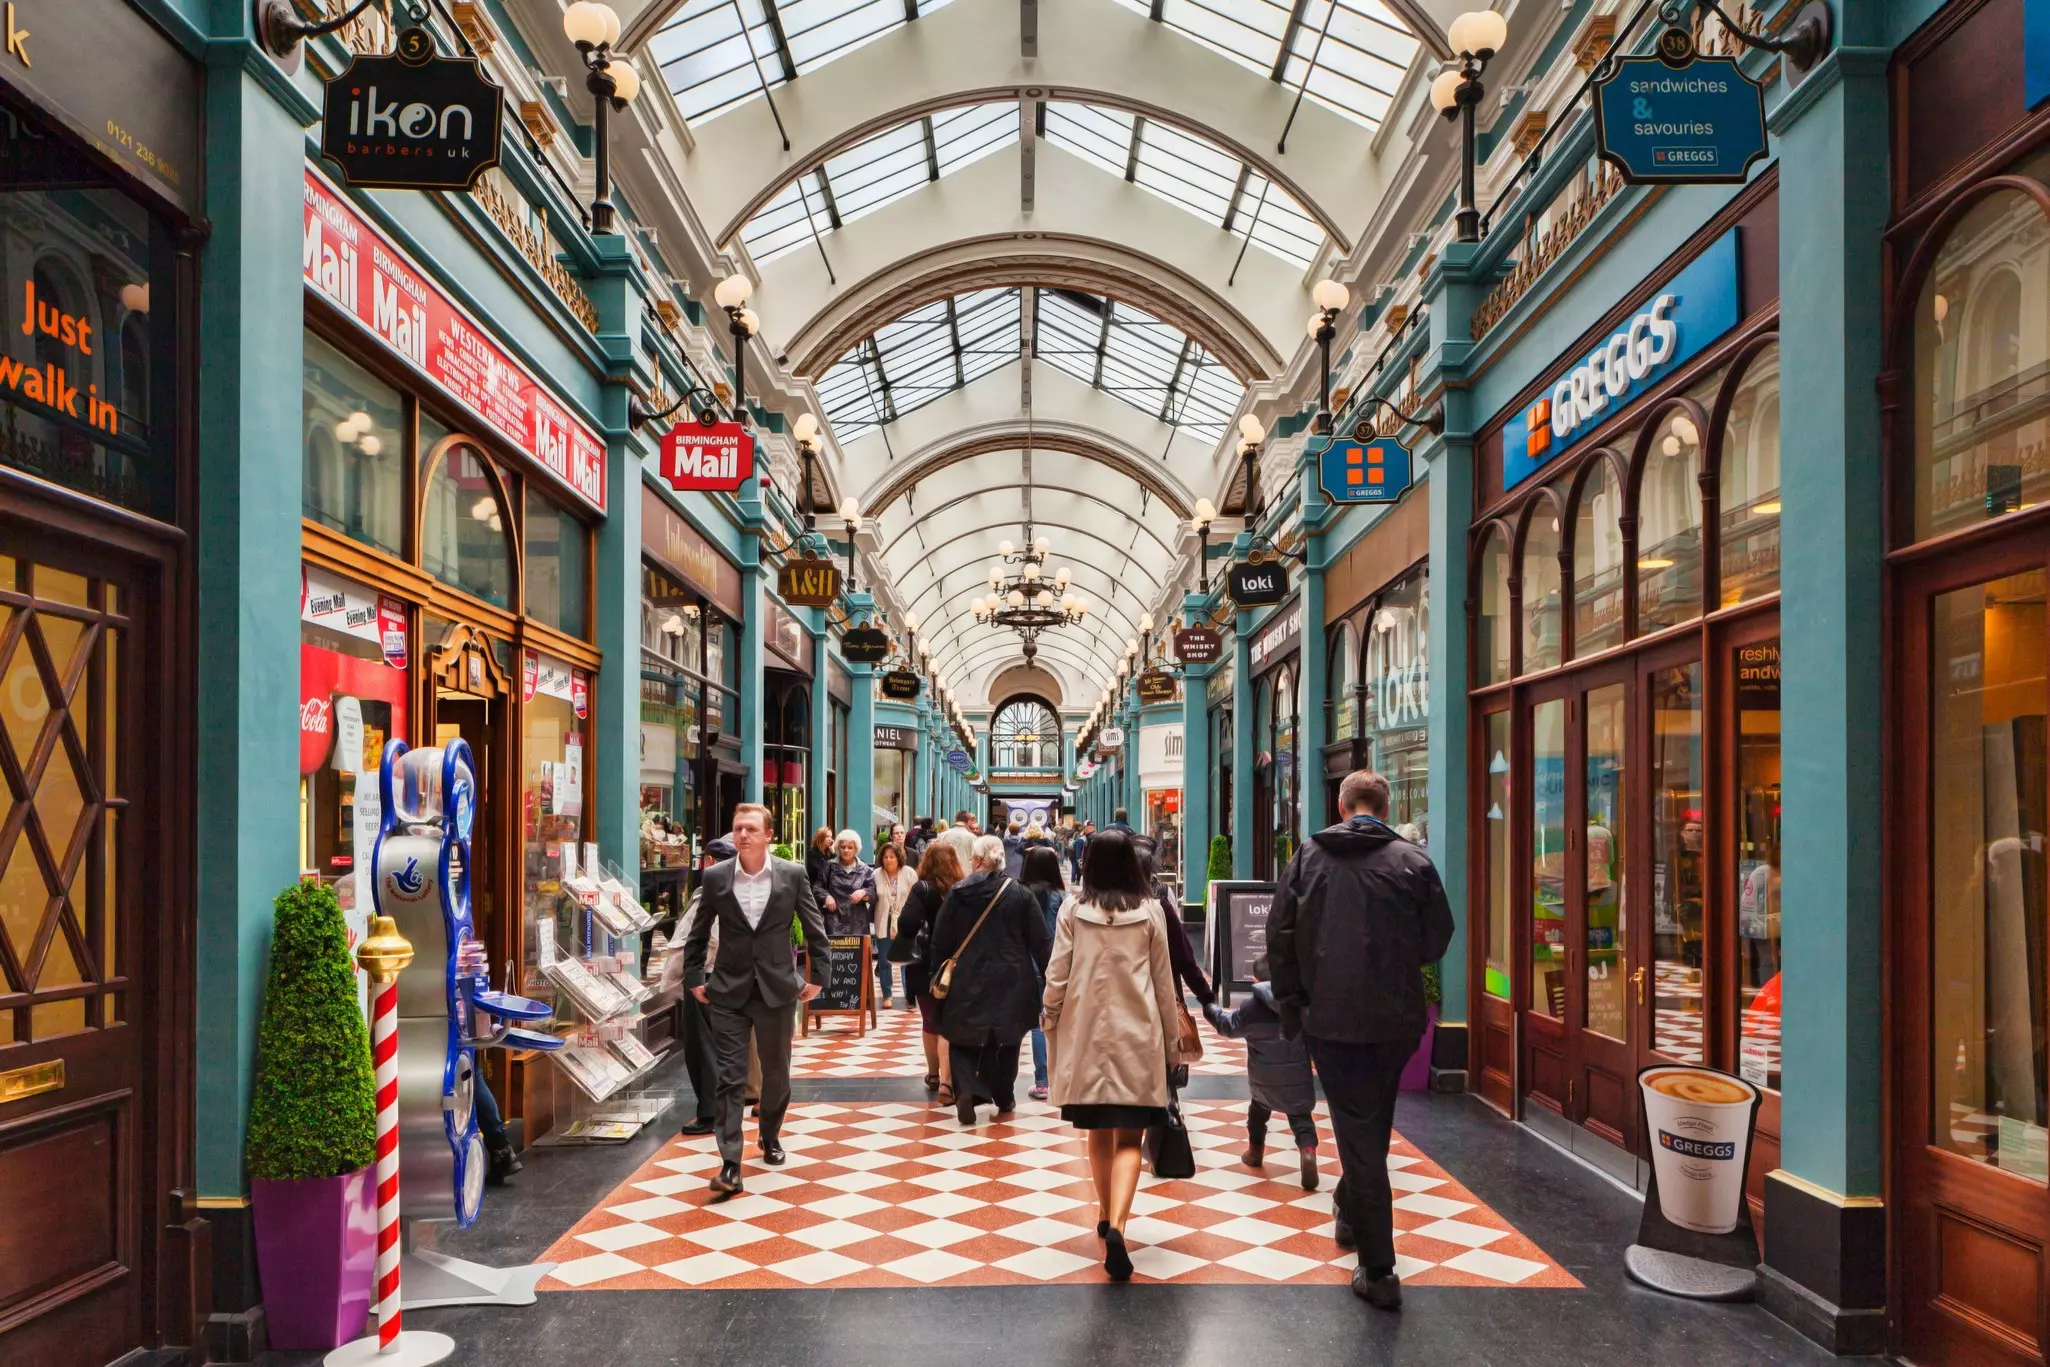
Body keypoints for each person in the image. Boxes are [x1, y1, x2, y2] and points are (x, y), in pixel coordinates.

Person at [1268, 769, 1454, 1310]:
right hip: (1395, 1020)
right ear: (1385, 804)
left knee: (1359, 1127)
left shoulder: (1309, 858)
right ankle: (1350, 1209)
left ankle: (1380, 1269)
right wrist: (1398, 962)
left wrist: (1292, 1005)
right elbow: (1437, 936)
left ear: (1343, 804)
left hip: (1330, 1017)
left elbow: (1279, 934)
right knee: (1369, 1120)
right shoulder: (1412, 861)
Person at [1041, 829, 1182, 1281]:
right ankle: (1119, 1222)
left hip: (1086, 1038)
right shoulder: (1151, 912)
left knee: (1097, 1131)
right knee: (1130, 1139)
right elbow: (1164, 985)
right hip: (1138, 1037)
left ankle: (1104, 1216)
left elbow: (1057, 973)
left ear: (1090, 865)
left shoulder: (1072, 911)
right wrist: (1173, 1046)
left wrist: (1048, 1016)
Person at [681, 803, 832, 1199]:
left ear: (769, 835)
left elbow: (816, 930)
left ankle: (769, 1134)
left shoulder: (792, 875)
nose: (742, 835)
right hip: (728, 990)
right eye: (737, 829)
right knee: (730, 1077)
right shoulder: (715, 878)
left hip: (777, 991)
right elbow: (697, 934)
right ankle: (730, 1163)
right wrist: (695, 977)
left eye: (750, 829)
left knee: (776, 1074)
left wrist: (819, 978)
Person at [928, 833, 1051, 1125]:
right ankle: (1004, 1094)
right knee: (1008, 1039)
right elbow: (1041, 941)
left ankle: (967, 1089)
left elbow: (941, 938)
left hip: (967, 977)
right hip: (1012, 977)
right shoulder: (1021, 893)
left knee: (962, 1036)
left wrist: (936, 971)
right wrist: (1052, 979)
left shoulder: (958, 892)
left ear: (979, 860)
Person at [1204, 956, 1319, 1192]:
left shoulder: (1251, 1008)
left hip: (1263, 1080)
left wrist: (1210, 1008)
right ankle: (1307, 1152)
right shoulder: (1299, 1004)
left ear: (1255, 979)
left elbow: (1227, 1026)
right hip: (1297, 1078)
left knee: (1257, 1113)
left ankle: (1255, 1152)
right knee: (1301, 1119)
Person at [663, 835, 737, 1138]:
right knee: (713, 1048)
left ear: (709, 862)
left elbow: (708, 940)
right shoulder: (730, 890)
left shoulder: (714, 892)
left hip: (704, 980)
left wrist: (692, 977)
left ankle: (709, 1113)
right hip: (713, 979)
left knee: (702, 1049)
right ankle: (718, 1109)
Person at [895, 836, 966, 1097]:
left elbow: (906, 925)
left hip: (926, 964)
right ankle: (951, 1076)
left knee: (930, 1021)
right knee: (952, 1019)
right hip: (958, 964)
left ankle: (935, 1074)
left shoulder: (922, 889)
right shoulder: (963, 889)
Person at [1019, 846, 1065, 1100]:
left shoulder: (1021, 893)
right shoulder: (1061, 897)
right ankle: (1054, 1079)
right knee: (1052, 1021)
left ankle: (1040, 1081)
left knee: (1032, 1023)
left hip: (1025, 964)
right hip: (1054, 964)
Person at [872, 841, 917, 1006]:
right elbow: (872, 895)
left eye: (892, 856)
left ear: (899, 858)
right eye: (885, 857)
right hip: (883, 920)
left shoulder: (909, 873)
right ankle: (887, 995)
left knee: (906, 961)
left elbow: (915, 896)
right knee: (884, 960)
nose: (888, 860)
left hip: (904, 922)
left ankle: (909, 996)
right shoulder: (876, 874)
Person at [814, 829, 878, 937]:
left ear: (856, 849)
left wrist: (864, 892)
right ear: (838, 848)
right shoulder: (829, 866)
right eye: (843, 847)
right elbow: (817, 887)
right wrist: (826, 896)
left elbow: (874, 893)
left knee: (857, 954)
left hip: (858, 923)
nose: (846, 850)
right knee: (835, 954)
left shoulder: (864, 869)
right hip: (834, 920)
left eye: (850, 847)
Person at [1003, 813, 1026, 877]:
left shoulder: (1005, 840)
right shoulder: (1022, 840)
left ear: (1009, 830)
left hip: (1008, 861)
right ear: (1018, 830)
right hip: (1020, 861)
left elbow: (1003, 852)